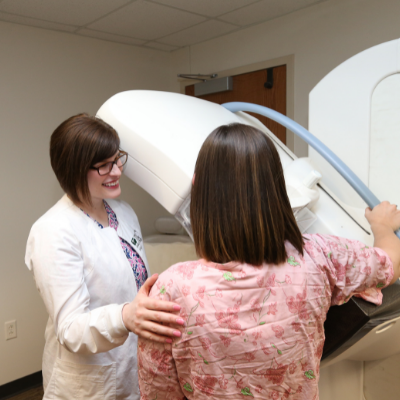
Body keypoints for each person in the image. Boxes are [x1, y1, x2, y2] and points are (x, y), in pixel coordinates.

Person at [137, 123, 400, 400]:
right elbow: (389, 265)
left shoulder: (170, 289)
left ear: (197, 187)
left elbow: (158, 393)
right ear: (276, 187)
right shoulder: (320, 256)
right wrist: (382, 226)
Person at [25, 114, 185, 400]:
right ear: (73, 170)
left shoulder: (123, 213)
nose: (117, 170)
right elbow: (71, 329)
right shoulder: (54, 231)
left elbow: (133, 284)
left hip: (130, 368)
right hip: (87, 385)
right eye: (104, 165)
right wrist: (125, 316)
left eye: (117, 158)